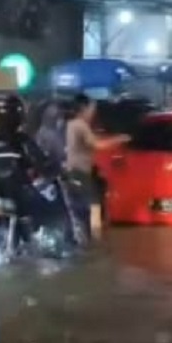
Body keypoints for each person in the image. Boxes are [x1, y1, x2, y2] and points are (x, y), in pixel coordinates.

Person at [63, 94, 129, 237]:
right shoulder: (80, 125)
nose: (93, 112)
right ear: (84, 108)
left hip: (73, 173)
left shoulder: (71, 124)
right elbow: (98, 145)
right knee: (95, 206)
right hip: (79, 172)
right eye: (92, 108)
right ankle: (96, 241)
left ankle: (83, 239)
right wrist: (120, 139)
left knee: (80, 209)